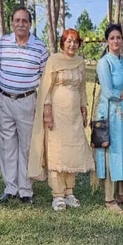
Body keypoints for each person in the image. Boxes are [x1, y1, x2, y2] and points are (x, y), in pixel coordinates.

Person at [29, 28, 94, 211]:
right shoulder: (54, 60)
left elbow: (81, 88)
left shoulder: (80, 63)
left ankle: (69, 192)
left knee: (72, 152)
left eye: (75, 41)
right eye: (69, 41)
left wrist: (83, 109)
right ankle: (57, 195)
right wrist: (47, 111)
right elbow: (46, 88)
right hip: (57, 114)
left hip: (74, 115)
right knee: (57, 151)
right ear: (62, 43)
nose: (72, 44)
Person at [0, 6, 49, 204]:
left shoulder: (39, 47)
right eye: (17, 20)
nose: (20, 24)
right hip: (4, 99)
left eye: (24, 21)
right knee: (7, 144)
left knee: (26, 145)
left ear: (30, 24)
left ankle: (25, 189)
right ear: (12, 23)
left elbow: (45, 78)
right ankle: (10, 187)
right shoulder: (2, 43)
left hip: (27, 100)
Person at [93, 24, 123, 214]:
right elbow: (109, 92)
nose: (116, 41)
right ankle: (109, 198)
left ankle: (122, 194)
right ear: (107, 41)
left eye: (119, 37)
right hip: (110, 115)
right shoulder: (105, 63)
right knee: (112, 153)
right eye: (112, 38)